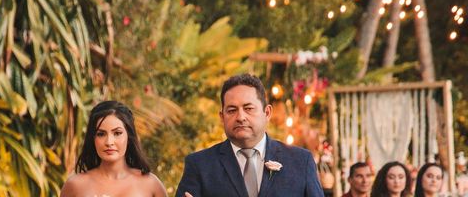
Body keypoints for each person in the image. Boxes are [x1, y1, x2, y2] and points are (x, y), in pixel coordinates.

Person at [175, 73, 323, 197]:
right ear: (222, 117)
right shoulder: (200, 165)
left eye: (248, 108)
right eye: (232, 110)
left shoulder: (300, 162)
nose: (240, 117)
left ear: (267, 113)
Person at [60, 100, 166, 197]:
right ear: (93, 138)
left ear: (129, 137)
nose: (109, 142)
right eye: (101, 134)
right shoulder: (75, 185)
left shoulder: (151, 184)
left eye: (117, 133)